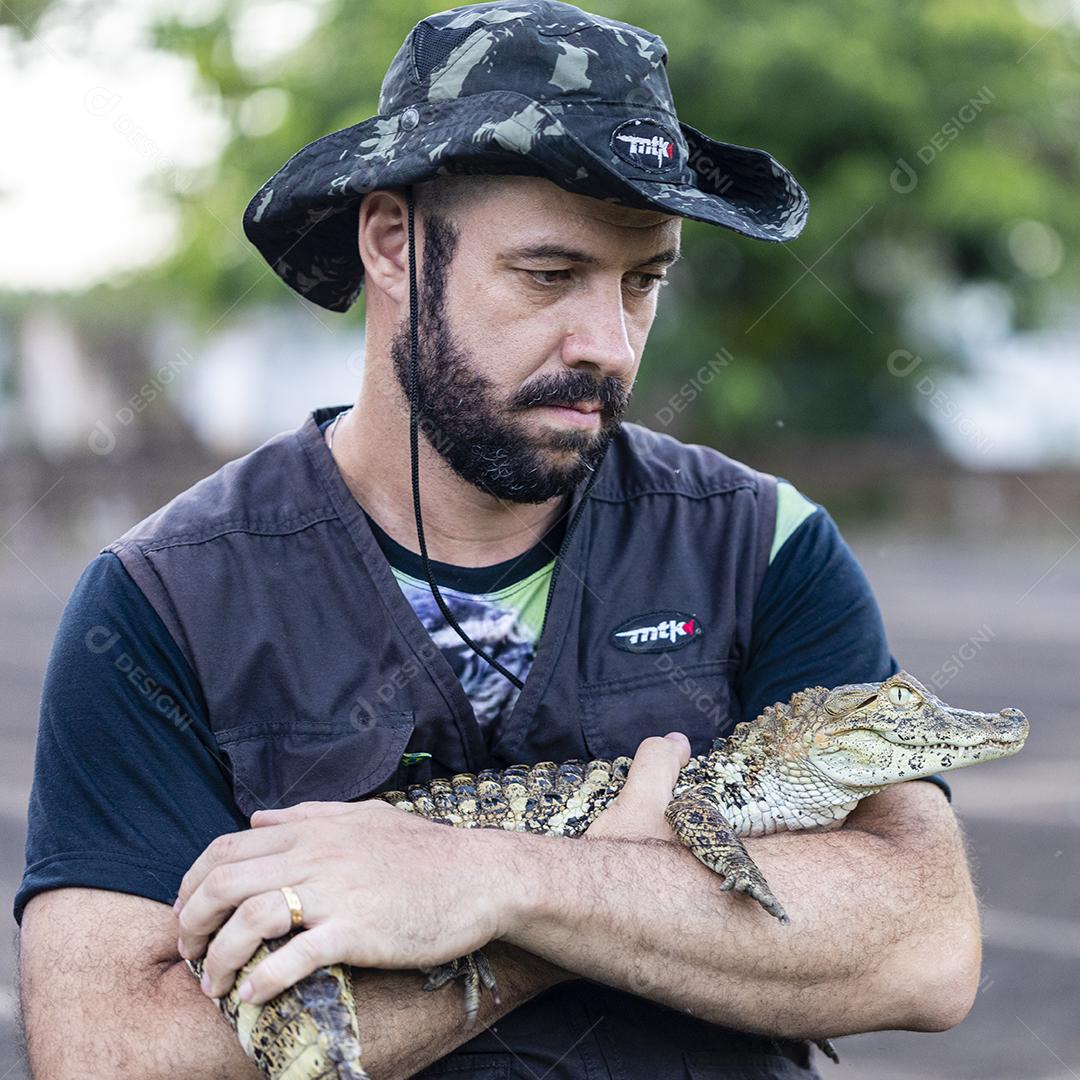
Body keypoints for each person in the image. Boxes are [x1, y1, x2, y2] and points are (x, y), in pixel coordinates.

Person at [15, 2, 980, 1078]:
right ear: (393, 242)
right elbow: (111, 1055)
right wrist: (624, 889)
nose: (608, 344)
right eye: (549, 274)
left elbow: (922, 946)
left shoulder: (767, 546)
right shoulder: (162, 601)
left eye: (644, 281)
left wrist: (498, 883)